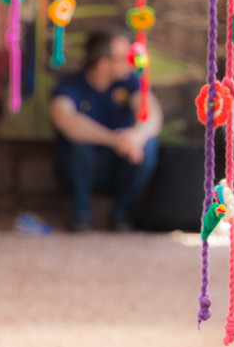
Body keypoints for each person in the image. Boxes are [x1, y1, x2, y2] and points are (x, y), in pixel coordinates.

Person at [49, 30, 162, 231]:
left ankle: (121, 215)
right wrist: (115, 140)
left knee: (149, 145)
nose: (131, 62)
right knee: (77, 145)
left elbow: (151, 113)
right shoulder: (71, 86)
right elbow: (64, 119)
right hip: (83, 167)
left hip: (121, 164)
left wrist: (137, 136)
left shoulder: (129, 82)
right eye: (124, 58)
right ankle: (80, 215)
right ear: (103, 64)